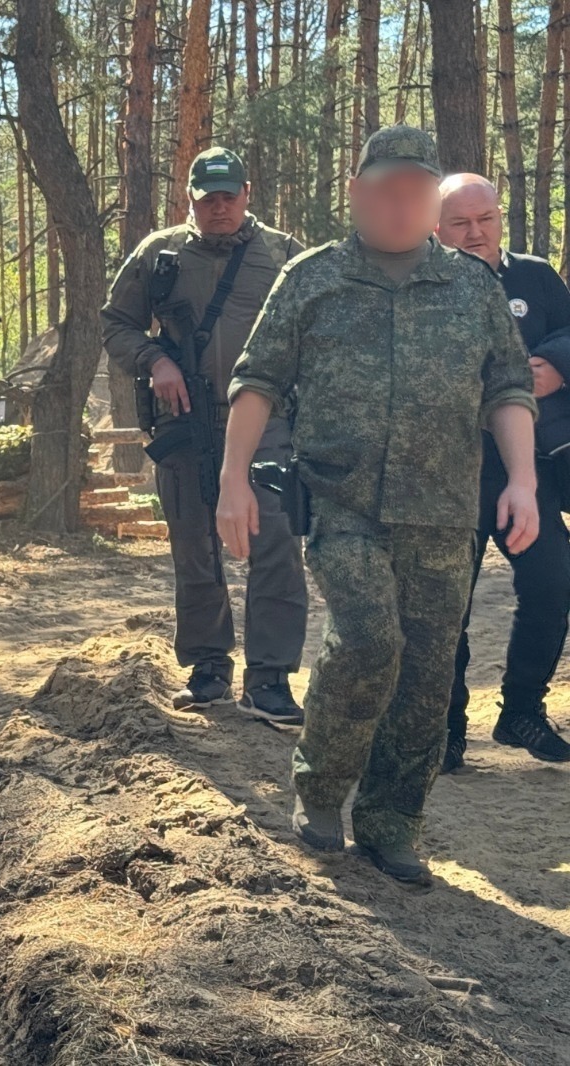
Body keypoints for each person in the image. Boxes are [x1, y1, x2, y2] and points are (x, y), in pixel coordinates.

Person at [218, 126, 539, 886]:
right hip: (344, 502)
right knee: (367, 640)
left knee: (427, 673)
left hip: (443, 508)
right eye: (386, 190)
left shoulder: (472, 287)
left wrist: (522, 479)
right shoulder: (313, 279)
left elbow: (508, 386)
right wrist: (232, 480)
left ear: (433, 201)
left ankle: (393, 821)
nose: (400, 205)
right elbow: (258, 380)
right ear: (355, 194)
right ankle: (321, 789)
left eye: (416, 192)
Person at [101, 146, 310, 723]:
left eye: (228, 197)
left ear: (247, 195)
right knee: (195, 546)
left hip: (268, 423)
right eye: (207, 199)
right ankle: (208, 668)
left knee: (276, 545)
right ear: (189, 200)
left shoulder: (284, 255)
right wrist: (155, 361)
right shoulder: (159, 254)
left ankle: (269, 678)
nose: (219, 208)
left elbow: (320, 331)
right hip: (185, 421)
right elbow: (115, 323)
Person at [435, 174, 570, 771]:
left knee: (552, 584)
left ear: (499, 217)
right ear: (435, 226)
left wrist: (556, 365)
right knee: (447, 606)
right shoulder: (421, 284)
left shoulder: (535, 277)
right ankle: (445, 728)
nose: (475, 233)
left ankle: (521, 711)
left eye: (485, 219)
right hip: (450, 474)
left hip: (527, 474)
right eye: (460, 223)